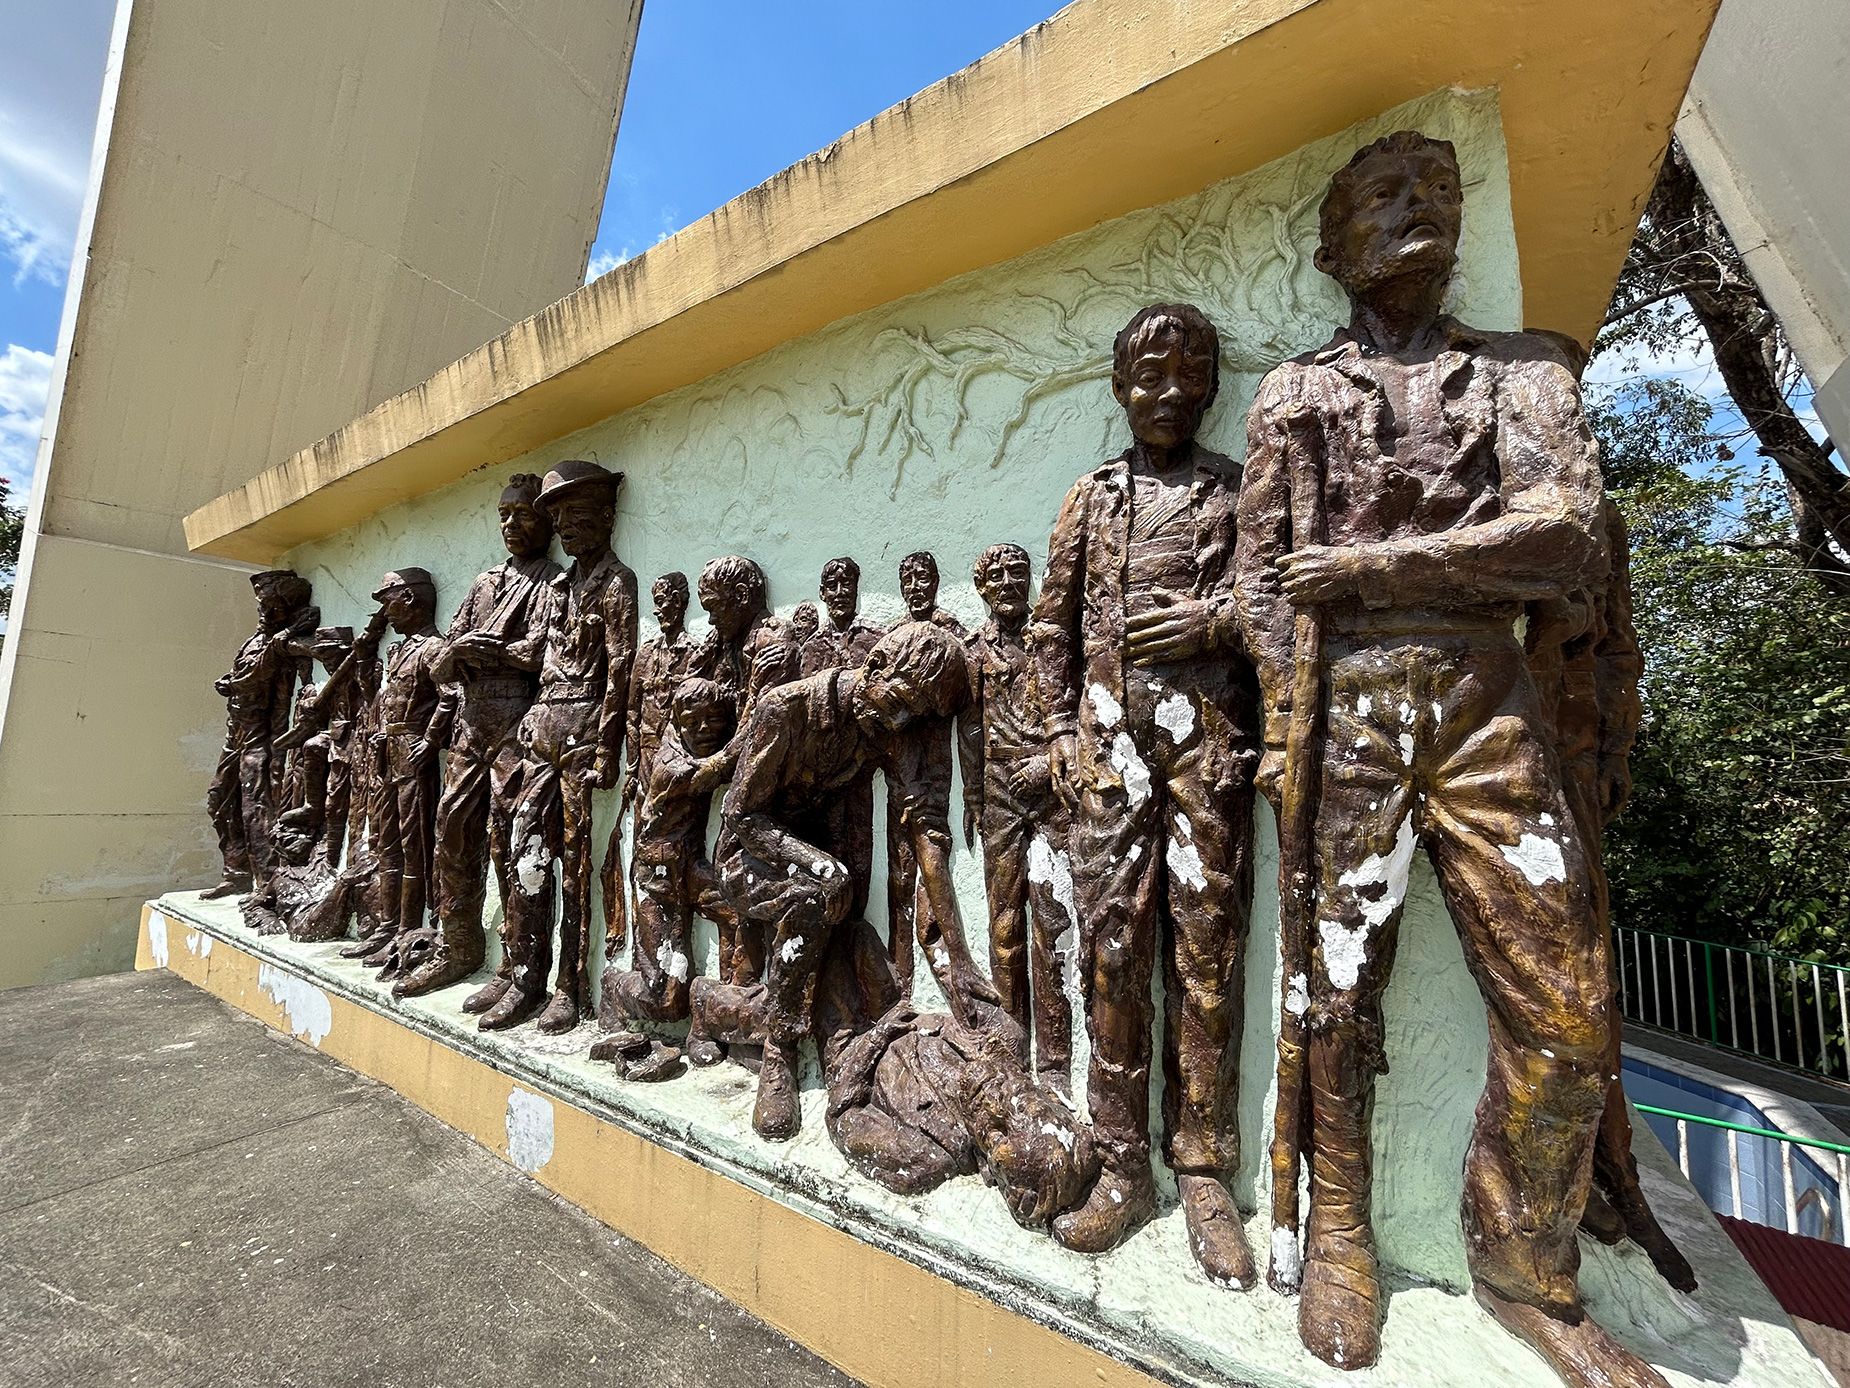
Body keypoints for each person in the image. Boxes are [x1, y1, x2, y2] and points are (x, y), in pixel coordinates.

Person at [1235, 131, 1657, 1386]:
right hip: (1344, 711)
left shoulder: (1523, 373)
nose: (1417, 209)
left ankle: (1523, 1265)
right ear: (1331, 247)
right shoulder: (1292, 396)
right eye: (1382, 195)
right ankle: (1340, 1233)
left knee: (1569, 1009)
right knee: (1333, 993)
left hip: (1488, 699)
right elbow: (1263, 584)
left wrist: (1375, 568)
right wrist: (1282, 719)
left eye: (1437, 191)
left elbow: (1564, 539)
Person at [1030, 302, 1259, 1286]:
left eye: (1189, 371)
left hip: (1206, 754)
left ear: (1209, 384)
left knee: (1206, 954)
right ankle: (1120, 1161)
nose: (1169, 389)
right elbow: (1050, 629)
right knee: (1115, 956)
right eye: (1148, 372)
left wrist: (1208, 620)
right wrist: (1053, 733)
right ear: (1119, 386)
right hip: (1107, 757)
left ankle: (1201, 1168)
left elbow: (1276, 606)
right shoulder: (1093, 496)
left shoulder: (1237, 493)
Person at [707, 622, 987, 1140]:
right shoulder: (783, 711)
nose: (901, 720)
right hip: (747, 858)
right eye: (900, 701)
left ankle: (718, 1007)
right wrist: (817, 864)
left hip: (818, 868)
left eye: (914, 714)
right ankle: (779, 1051)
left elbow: (923, 822)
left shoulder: (882, 721)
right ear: (875, 670)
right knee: (811, 899)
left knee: (830, 910)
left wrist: (960, 956)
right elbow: (742, 815)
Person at [486, 460, 638, 1034]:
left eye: (577, 515)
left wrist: (607, 748)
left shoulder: (616, 582)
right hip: (541, 729)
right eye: (559, 518)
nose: (566, 527)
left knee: (574, 867)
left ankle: (570, 987)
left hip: (581, 734)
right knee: (521, 850)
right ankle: (523, 973)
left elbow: (620, 669)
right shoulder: (558, 586)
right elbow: (543, 661)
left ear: (605, 516)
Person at [405, 474, 561, 1000]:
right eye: (505, 515)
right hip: (470, 722)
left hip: (518, 724)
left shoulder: (552, 582)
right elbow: (441, 661)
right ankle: (459, 945)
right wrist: (466, 650)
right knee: (452, 829)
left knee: (510, 843)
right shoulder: (484, 583)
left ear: (546, 522)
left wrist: (487, 650)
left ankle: (516, 968)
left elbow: (541, 655)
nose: (513, 525)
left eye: (524, 515)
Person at [958, 542, 1075, 1093]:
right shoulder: (974, 652)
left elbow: (1072, 717)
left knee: (1052, 922)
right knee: (1004, 924)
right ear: (982, 587)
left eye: (1018, 573)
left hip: (1048, 790)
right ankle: (1010, 1044)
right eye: (997, 575)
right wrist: (977, 799)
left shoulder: (1048, 643)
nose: (1008, 582)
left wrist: (1044, 764)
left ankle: (1053, 1062)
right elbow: (971, 730)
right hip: (1000, 794)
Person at [599, 676, 737, 1053]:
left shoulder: (692, 746)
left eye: (713, 720)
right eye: (693, 722)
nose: (704, 729)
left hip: (688, 865)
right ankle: (615, 987)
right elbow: (712, 771)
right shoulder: (670, 762)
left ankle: (710, 1023)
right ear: (678, 723)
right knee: (666, 996)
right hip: (657, 876)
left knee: (735, 914)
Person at [353, 568, 448, 980]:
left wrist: (429, 742)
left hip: (413, 754)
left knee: (415, 844)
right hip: (388, 754)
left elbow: (451, 697)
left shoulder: (433, 647)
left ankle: (409, 927)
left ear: (409, 599)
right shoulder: (399, 650)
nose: (385, 612)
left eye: (388, 601)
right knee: (386, 841)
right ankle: (388, 925)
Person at [204, 570, 318, 902]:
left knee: (256, 811)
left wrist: (234, 685)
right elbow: (244, 671)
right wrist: (229, 680)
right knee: (218, 800)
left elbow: (260, 676)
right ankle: (236, 871)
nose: (265, 614)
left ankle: (267, 884)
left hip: (260, 739)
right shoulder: (256, 639)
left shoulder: (281, 642)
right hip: (235, 733)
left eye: (273, 608)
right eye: (262, 607)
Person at [883, 550, 966, 990]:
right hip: (900, 771)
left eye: (924, 578)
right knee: (899, 876)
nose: (916, 587)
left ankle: (950, 980)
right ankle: (901, 984)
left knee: (934, 868)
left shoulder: (950, 632)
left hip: (936, 775)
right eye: (908, 579)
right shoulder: (893, 635)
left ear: (936, 583)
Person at [800, 556, 882, 676]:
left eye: (847, 584)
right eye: (832, 586)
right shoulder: (811, 647)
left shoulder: (876, 637)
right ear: (822, 593)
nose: (840, 592)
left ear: (856, 589)